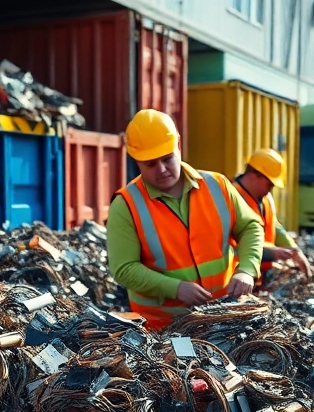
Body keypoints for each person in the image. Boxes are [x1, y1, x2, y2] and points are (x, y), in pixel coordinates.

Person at [105, 110, 265, 329]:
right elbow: (124, 269)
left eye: (167, 158)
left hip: (223, 318)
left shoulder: (218, 185)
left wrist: (247, 269)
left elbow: (250, 227)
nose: (161, 170)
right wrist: (176, 288)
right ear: (136, 160)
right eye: (150, 164)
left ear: (178, 145)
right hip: (162, 329)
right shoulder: (126, 205)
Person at [232, 148, 313, 278]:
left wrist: (294, 249)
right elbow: (234, 246)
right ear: (255, 176)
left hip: (259, 275)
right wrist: (272, 253)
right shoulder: (231, 199)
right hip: (238, 277)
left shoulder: (265, 197)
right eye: (269, 184)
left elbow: (274, 225)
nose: (271, 189)